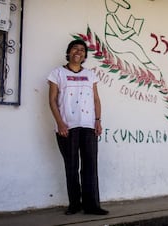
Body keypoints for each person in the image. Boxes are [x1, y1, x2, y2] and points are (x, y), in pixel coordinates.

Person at [48, 39, 108, 215]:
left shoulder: (90, 74)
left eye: (82, 50)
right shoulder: (57, 73)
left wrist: (98, 120)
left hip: (88, 125)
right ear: (68, 52)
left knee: (90, 166)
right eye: (75, 48)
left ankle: (92, 205)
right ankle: (75, 204)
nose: (78, 52)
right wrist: (60, 123)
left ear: (84, 56)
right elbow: (52, 100)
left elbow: (96, 99)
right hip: (67, 126)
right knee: (72, 166)